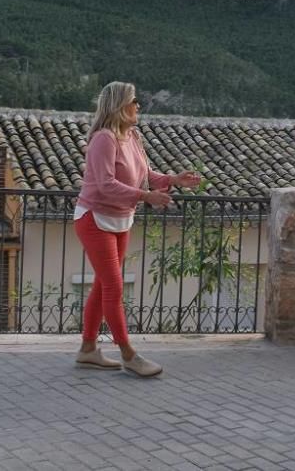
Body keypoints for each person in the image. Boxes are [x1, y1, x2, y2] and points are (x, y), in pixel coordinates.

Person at [73, 81, 201, 377]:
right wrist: (146, 197)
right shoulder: (103, 139)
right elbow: (105, 185)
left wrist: (172, 179)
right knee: (114, 287)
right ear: (119, 105)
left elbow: (143, 174)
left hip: (120, 218)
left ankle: (88, 350)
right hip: (94, 218)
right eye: (133, 101)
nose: (138, 105)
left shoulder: (132, 136)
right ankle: (129, 355)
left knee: (102, 285)